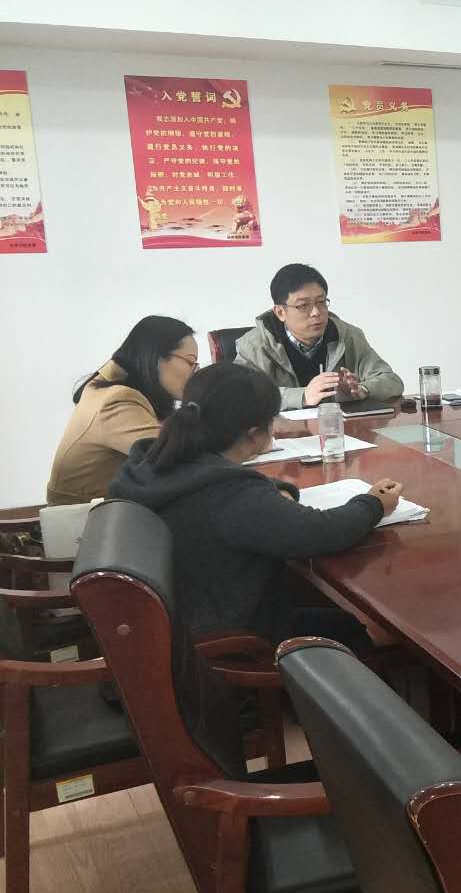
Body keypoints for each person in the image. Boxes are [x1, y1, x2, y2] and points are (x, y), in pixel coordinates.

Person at [107, 362, 404, 652]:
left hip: (163, 632)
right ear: (255, 434)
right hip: (227, 645)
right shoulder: (230, 493)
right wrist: (374, 503)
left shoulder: (148, 462)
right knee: (345, 629)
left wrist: (276, 491)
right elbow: (323, 532)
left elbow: (225, 491)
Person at [47, 316, 198, 505]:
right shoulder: (118, 400)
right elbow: (175, 458)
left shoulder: (109, 390)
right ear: (156, 357)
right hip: (87, 519)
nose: (194, 372)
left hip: (106, 513)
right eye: (190, 362)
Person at [235, 262, 403, 410]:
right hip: (281, 433)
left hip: (338, 429)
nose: (316, 312)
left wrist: (362, 390)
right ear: (280, 312)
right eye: (303, 305)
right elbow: (241, 397)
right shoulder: (255, 345)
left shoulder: (347, 335)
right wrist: (303, 396)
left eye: (321, 302)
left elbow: (391, 381)